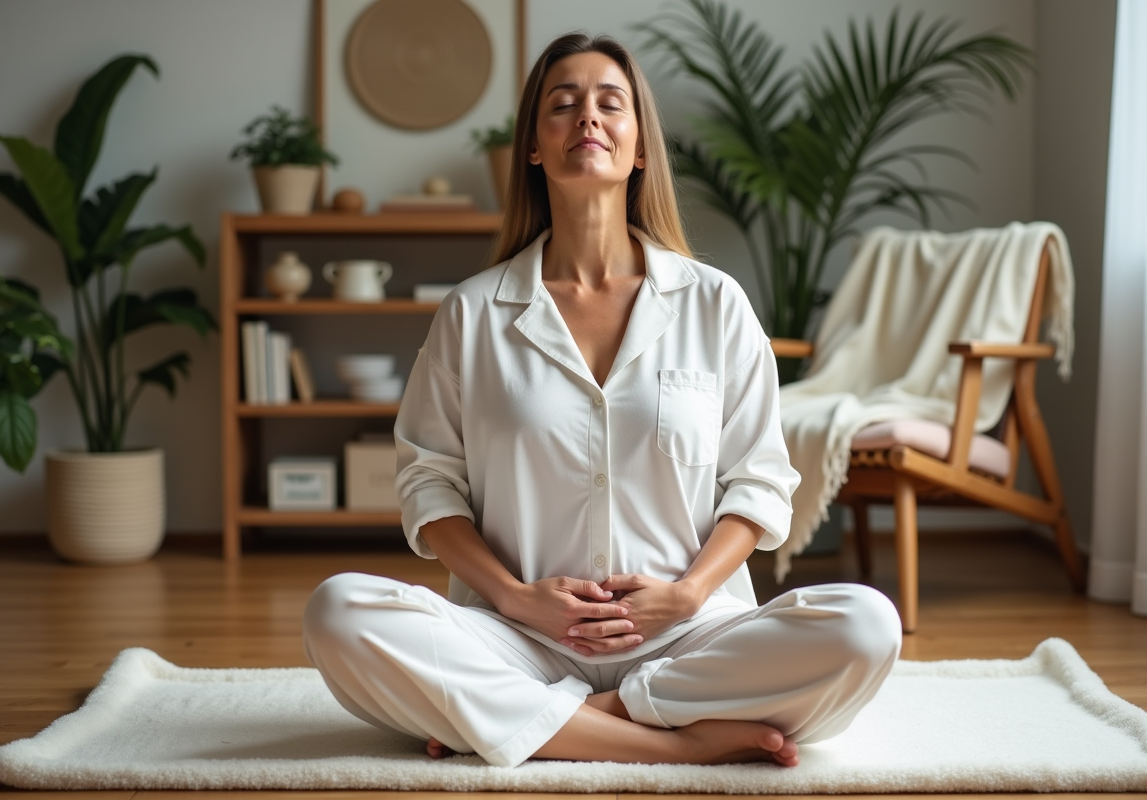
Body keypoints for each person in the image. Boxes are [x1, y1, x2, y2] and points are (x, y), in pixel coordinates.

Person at [303, 32, 901, 769]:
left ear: (639, 144)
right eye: (563, 104)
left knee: (866, 627)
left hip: (687, 637)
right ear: (533, 145)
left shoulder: (714, 304)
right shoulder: (473, 312)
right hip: (515, 635)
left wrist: (686, 596)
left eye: (609, 103)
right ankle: (676, 746)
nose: (587, 117)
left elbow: (760, 481)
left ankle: (554, 721)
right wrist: (518, 599)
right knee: (338, 612)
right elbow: (430, 483)